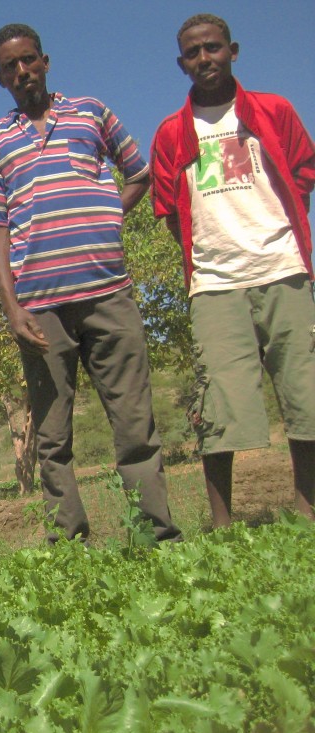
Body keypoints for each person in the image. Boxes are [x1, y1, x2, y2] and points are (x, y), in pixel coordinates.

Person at [0, 25, 181, 544]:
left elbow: (139, 174)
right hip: (40, 307)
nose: (22, 71)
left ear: (45, 61)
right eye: (11, 67)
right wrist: (12, 308)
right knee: (53, 436)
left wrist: (109, 217)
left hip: (108, 291)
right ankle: (70, 545)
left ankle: (156, 537)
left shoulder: (91, 112)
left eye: (30, 60)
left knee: (134, 424)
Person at [151, 14, 315, 527]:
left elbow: (305, 170)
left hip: (283, 267)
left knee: (304, 392)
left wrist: (278, 228)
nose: (205, 59)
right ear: (182, 64)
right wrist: (207, 255)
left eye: (213, 48)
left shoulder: (273, 110)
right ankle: (223, 524)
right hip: (214, 284)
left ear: (233, 51)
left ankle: (306, 509)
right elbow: (167, 208)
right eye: (194, 53)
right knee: (218, 403)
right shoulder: (172, 132)